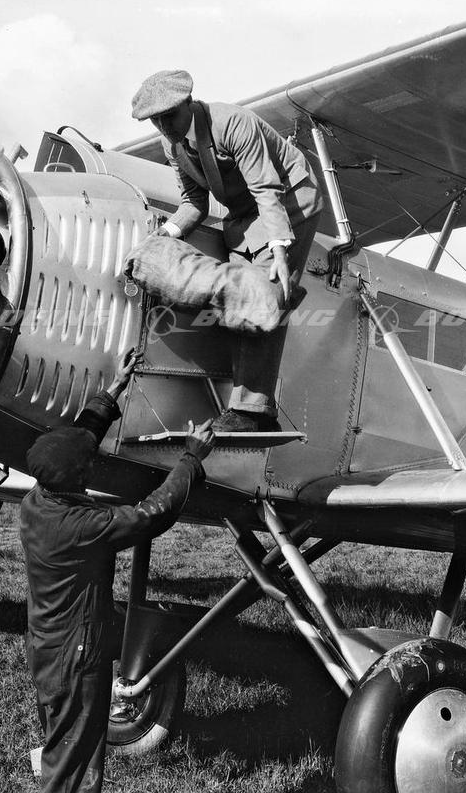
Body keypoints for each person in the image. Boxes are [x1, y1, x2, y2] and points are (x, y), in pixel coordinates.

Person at [20, 346, 215, 793]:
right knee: (73, 760)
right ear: (73, 476)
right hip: (76, 657)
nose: (92, 464)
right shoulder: (79, 527)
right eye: (87, 465)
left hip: (50, 649)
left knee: (68, 745)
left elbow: (77, 441)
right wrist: (191, 458)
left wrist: (115, 387)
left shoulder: (39, 498)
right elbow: (151, 514)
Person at [131, 69, 324, 433]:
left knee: (261, 291)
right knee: (239, 294)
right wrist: (163, 235)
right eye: (155, 120)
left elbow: (266, 188)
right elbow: (194, 202)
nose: (164, 126)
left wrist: (279, 250)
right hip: (245, 213)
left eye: (169, 115)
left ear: (189, 103)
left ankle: (252, 413)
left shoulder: (233, 122)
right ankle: (252, 406)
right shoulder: (173, 145)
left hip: (289, 201)